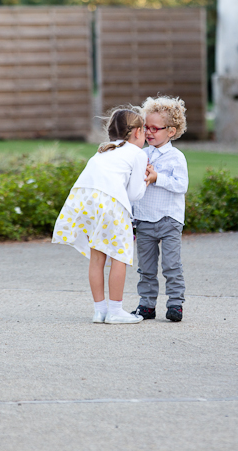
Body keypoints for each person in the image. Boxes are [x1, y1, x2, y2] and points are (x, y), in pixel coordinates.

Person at [52, 107, 149, 324]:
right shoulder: (137, 154)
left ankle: (100, 311)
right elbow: (134, 194)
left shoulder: (104, 149)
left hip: (84, 200)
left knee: (97, 258)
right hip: (110, 203)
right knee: (120, 257)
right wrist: (147, 180)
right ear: (137, 132)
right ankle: (116, 311)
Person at [131, 96, 189, 322]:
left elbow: (181, 185)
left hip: (169, 220)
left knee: (171, 265)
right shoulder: (141, 155)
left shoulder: (176, 157)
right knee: (145, 267)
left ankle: (175, 303)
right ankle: (147, 304)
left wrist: (157, 178)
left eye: (155, 128)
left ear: (171, 131)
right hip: (144, 220)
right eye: (146, 127)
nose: (149, 132)